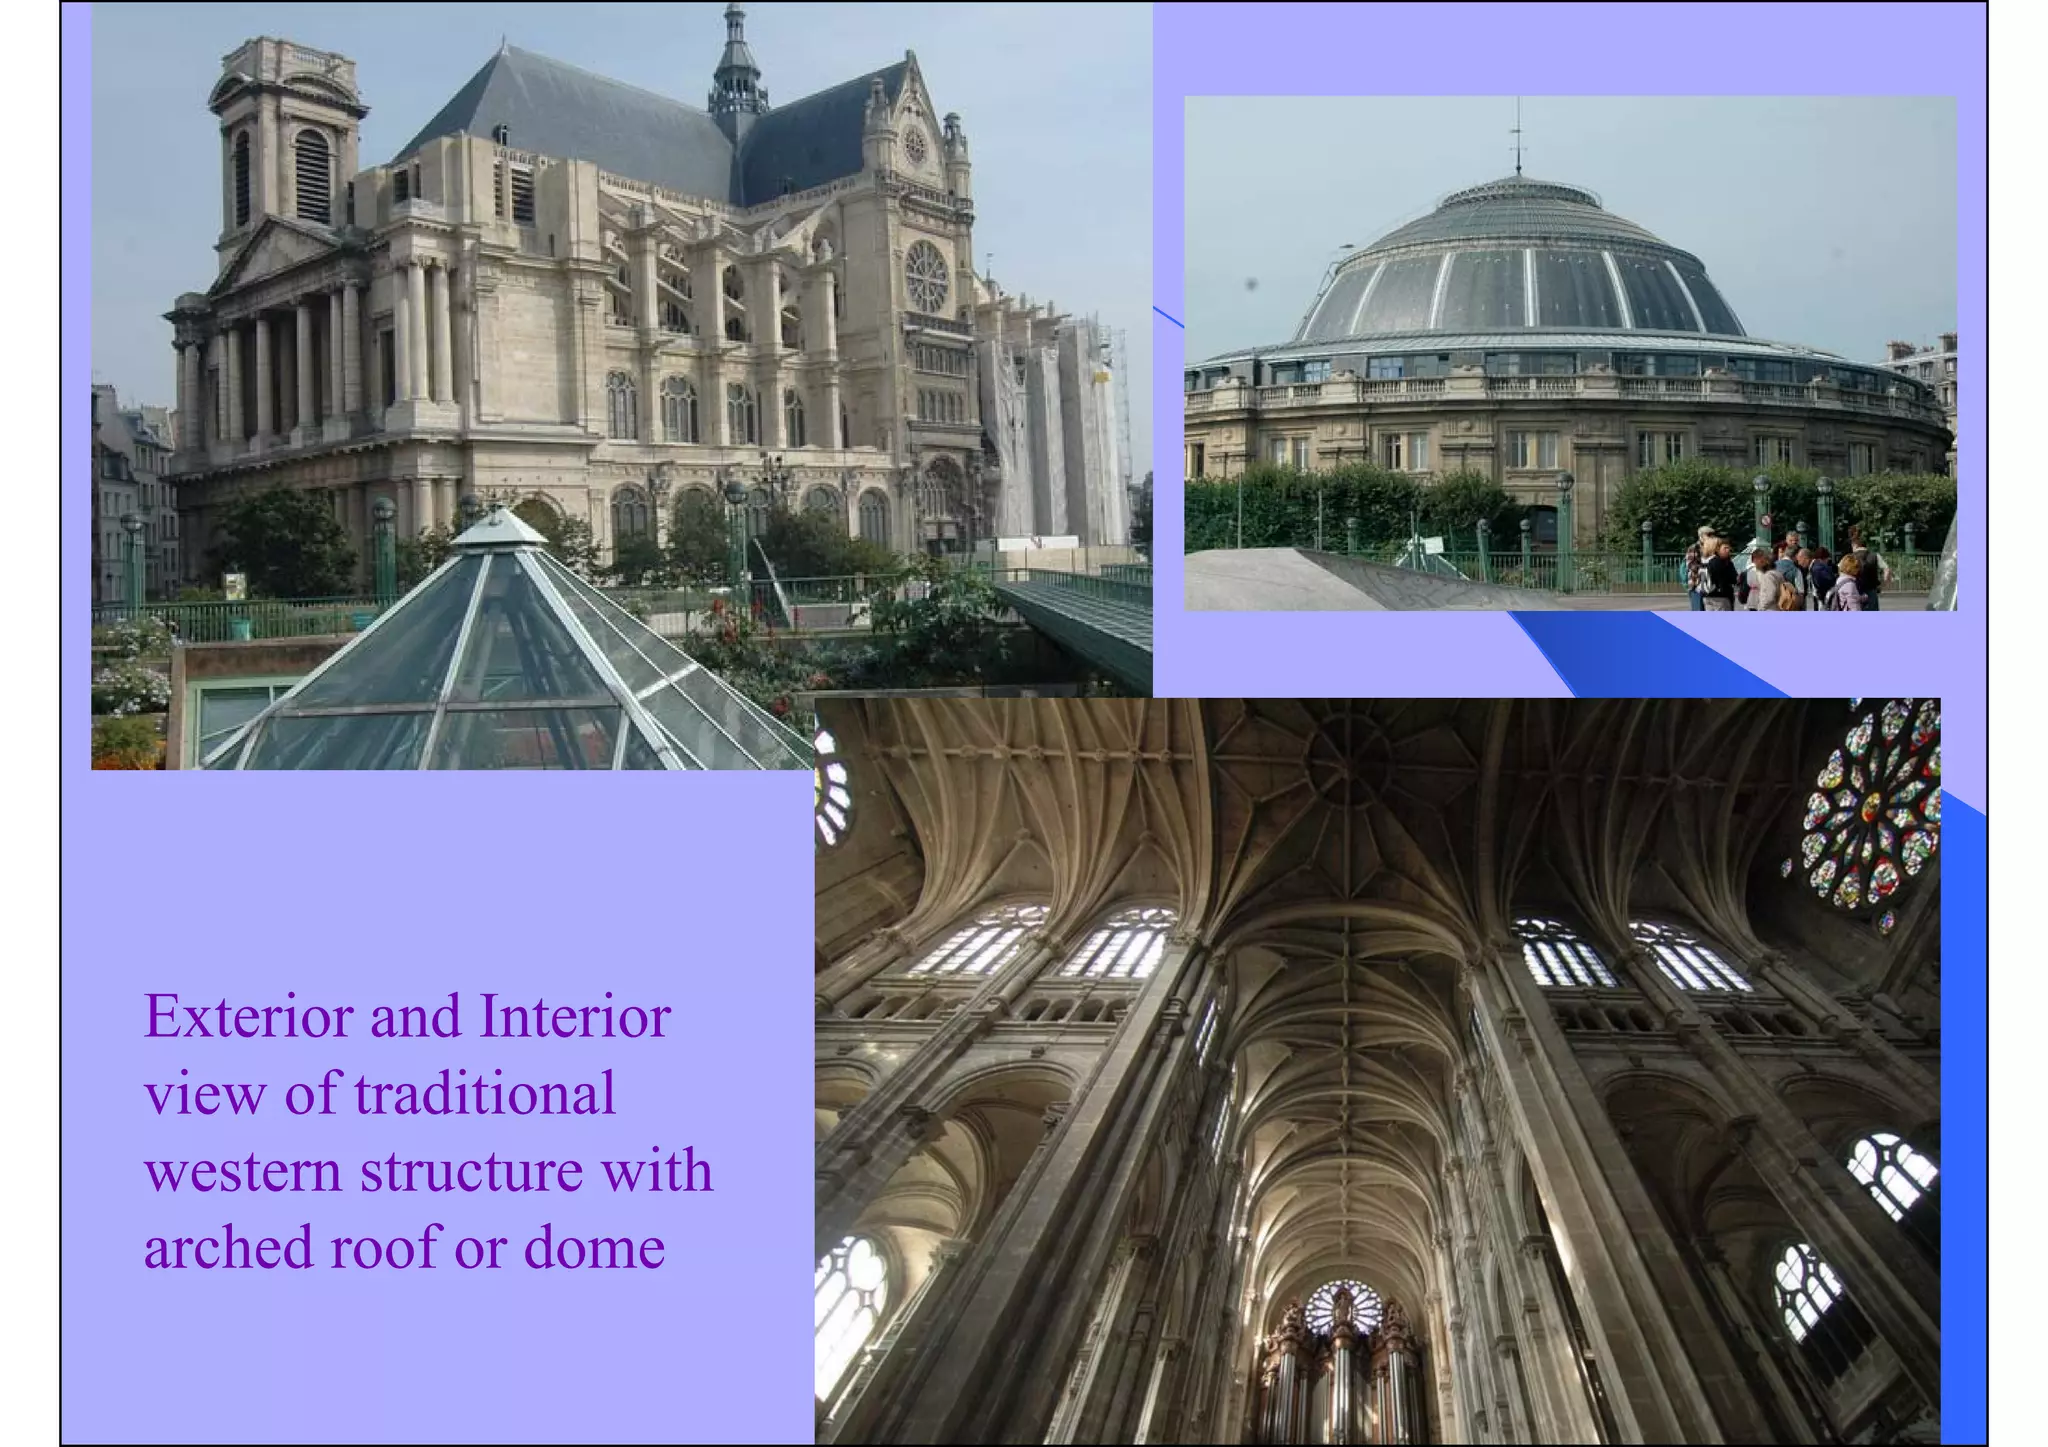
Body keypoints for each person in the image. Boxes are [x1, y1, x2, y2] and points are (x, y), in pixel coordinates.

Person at [1846, 526, 1890, 611]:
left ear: (1854, 544)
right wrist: (1883, 585)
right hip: (1872, 591)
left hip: (1856, 592)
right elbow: (1887, 569)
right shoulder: (1875, 555)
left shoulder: (1850, 558)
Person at [1703, 539, 1739, 611]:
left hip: (1708, 596)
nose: (1728, 550)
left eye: (1729, 548)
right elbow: (1731, 578)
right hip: (1720, 597)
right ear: (1717, 549)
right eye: (1725, 548)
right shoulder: (1720, 562)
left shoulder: (1710, 561)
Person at [1807, 547, 1837, 611]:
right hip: (1822, 597)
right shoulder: (1820, 568)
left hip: (1818, 597)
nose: (1827, 561)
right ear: (1823, 558)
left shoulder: (1815, 566)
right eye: (1827, 559)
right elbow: (1826, 583)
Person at [1682, 541, 1706, 611]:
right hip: (1696, 586)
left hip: (1693, 586)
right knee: (1699, 607)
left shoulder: (1688, 558)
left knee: (1697, 607)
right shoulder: (1694, 559)